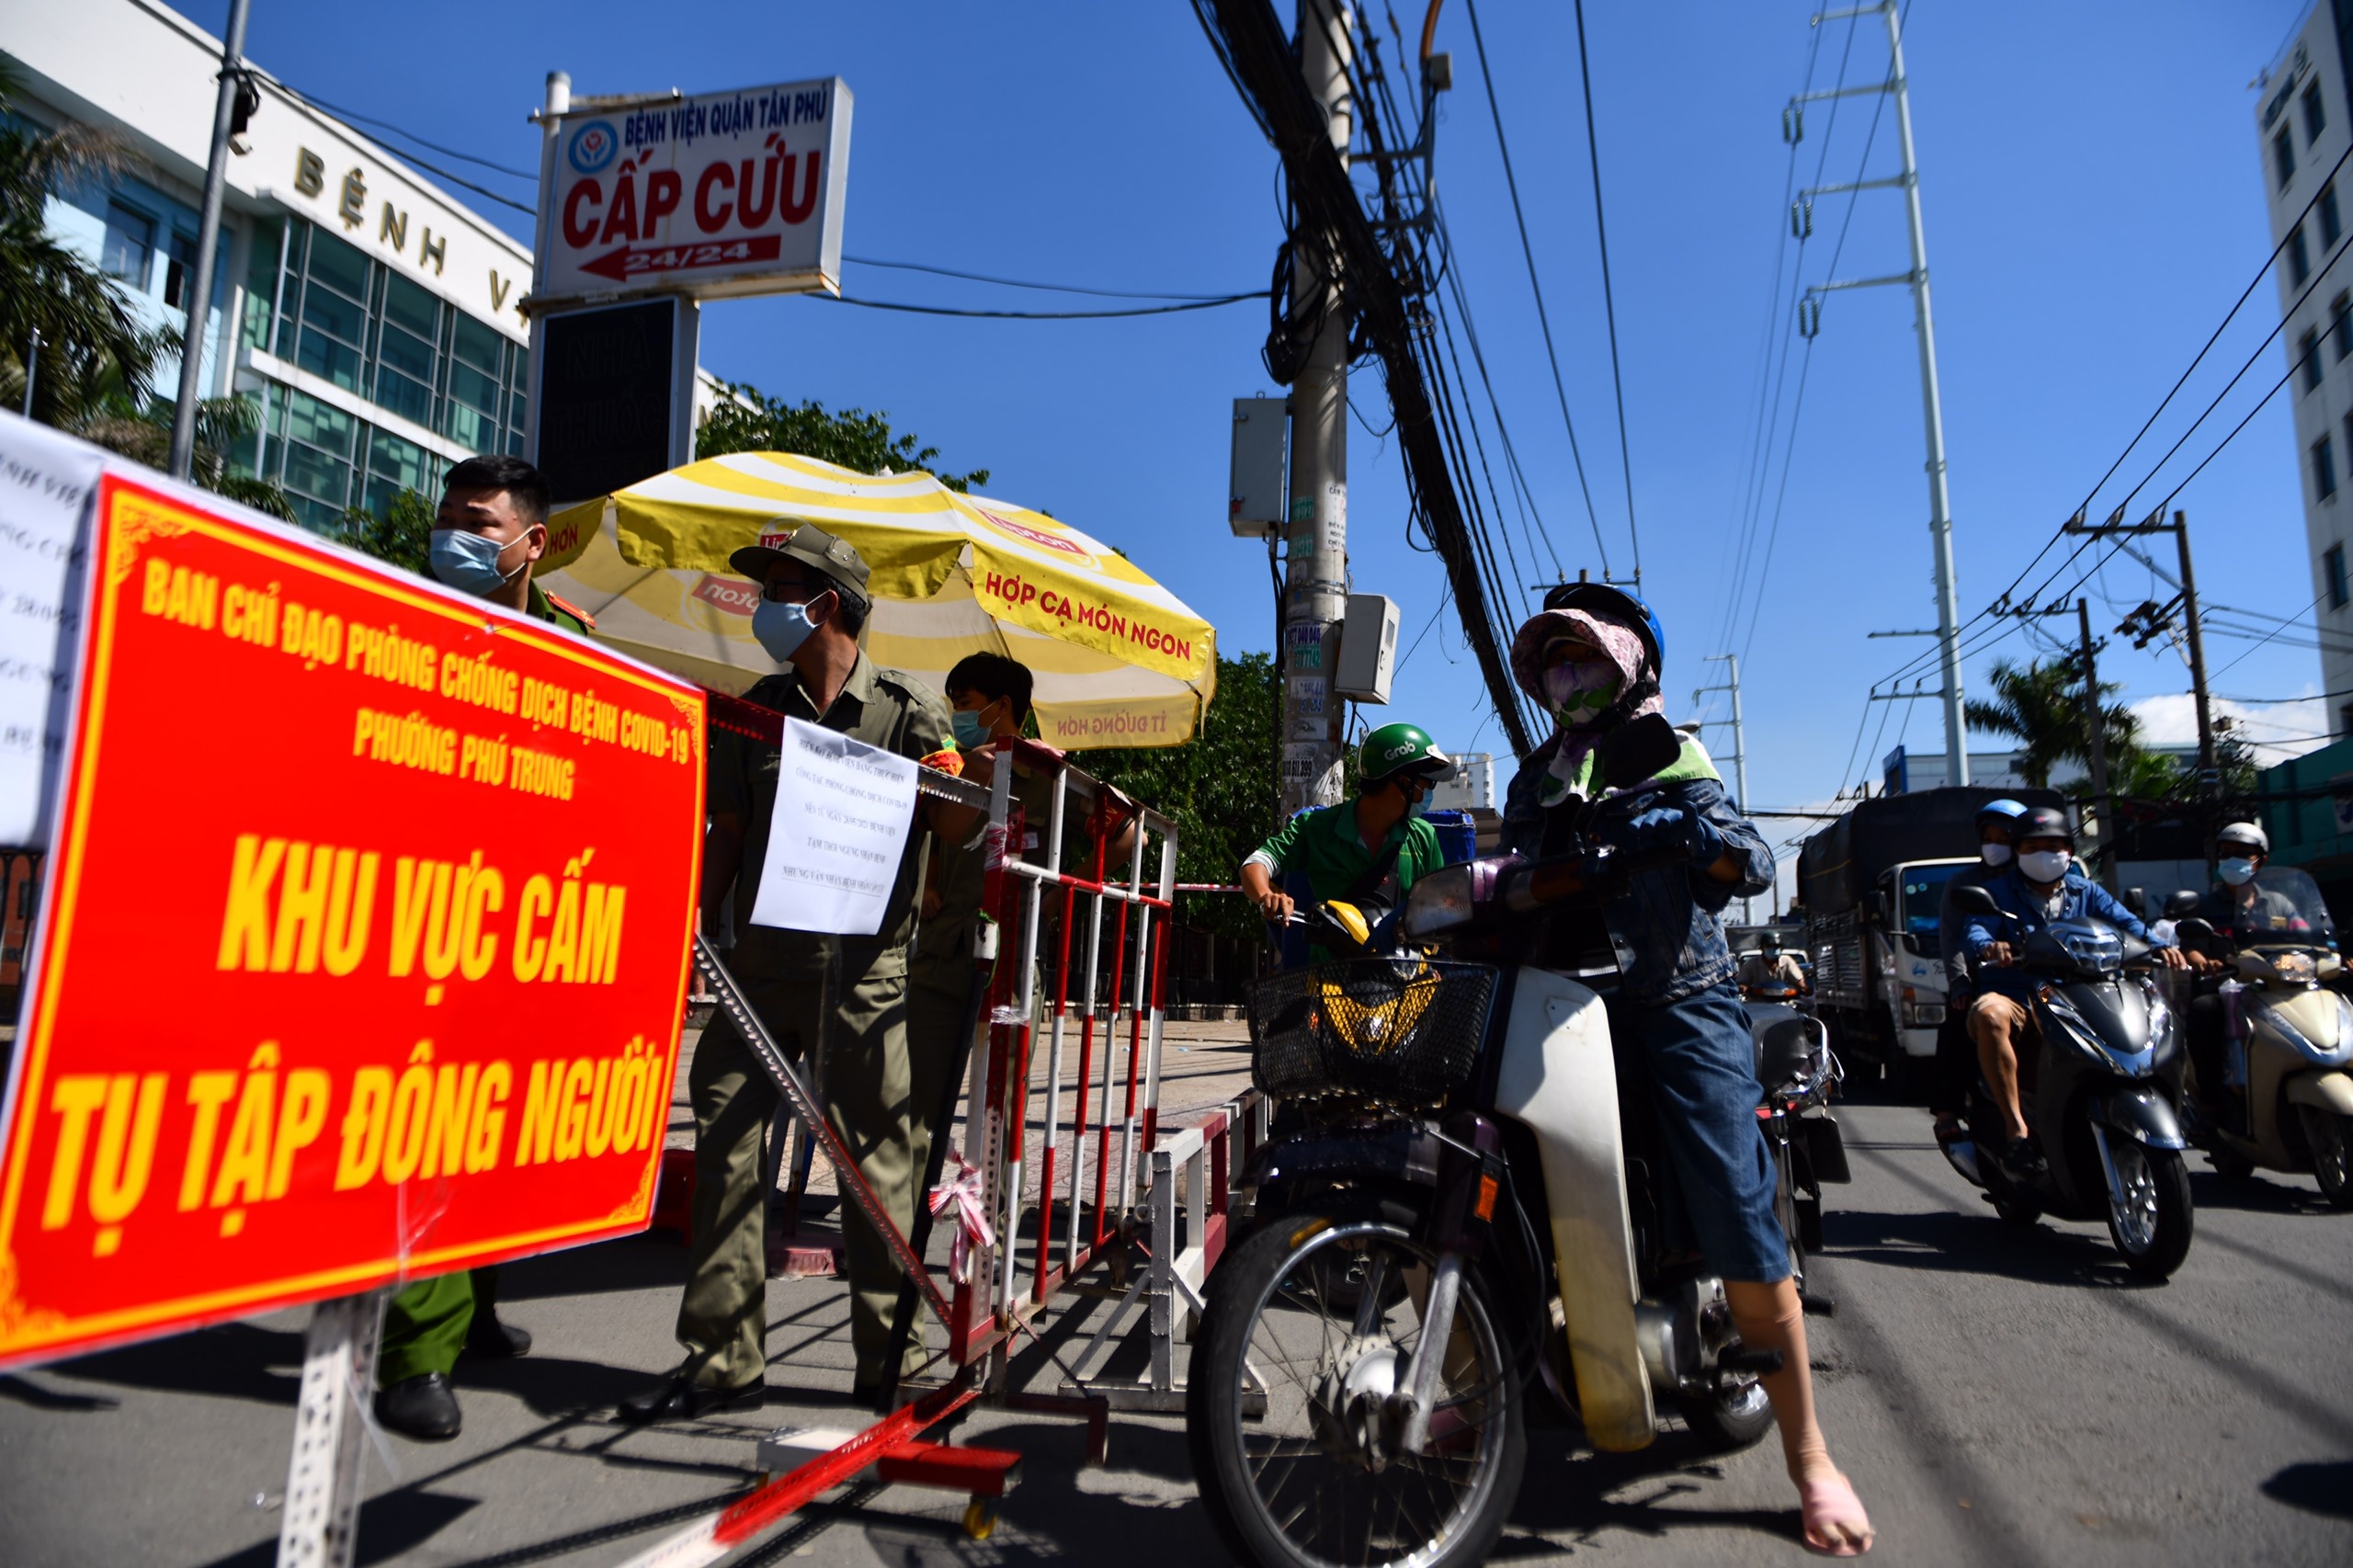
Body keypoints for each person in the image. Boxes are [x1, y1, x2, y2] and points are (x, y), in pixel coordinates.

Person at [1497, 580, 1872, 1556]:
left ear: (1630, 664)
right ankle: (1483, 1385)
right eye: (1555, 660)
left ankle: (1811, 1456)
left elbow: (1751, 860)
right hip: (1554, 1003)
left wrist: (1695, 838)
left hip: (1673, 996)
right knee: (1491, 1177)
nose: (1567, 673)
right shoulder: (1536, 778)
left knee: (1730, 1199)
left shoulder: (1673, 755)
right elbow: (1512, 880)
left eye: (1584, 654)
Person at [620, 523, 955, 1423]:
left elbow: (956, 830)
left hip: (864, 975)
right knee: (727, 1149)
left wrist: (952, 779)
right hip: (760, 969)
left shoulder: (908, 711)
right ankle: (722, 1359)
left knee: (877, 1169)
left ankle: (893, 1363)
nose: (763, 605)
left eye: (778, 589)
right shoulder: (754, 711)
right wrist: (692, 926)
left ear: (827, 604)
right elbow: (727, 832)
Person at [371, 454, 593, 1441]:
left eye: (478, 523)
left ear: (531, 542)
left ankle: (475, 1303)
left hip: (533, 937)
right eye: (448, 518)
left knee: (501, 1138)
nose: (454, 537)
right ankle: (414, 1351)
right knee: (430, 1136)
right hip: (425, 922)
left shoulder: (571, 650)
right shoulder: (401, 621)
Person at [1961, 805, 2187, 1177]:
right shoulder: (1998, 893)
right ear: (2017, 852)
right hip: (2018, 995)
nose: (2044, 855)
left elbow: (2128, 924)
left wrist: (2160, 947)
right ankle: (2017, 1130)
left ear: (2069, 850)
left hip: (2080, 996)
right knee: (1990, 1015)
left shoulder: (2088, 891)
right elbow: (1976, 930)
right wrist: (1989, 947)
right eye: (2033, 848)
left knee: (2158, 1014)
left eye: (2053, 846)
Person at [1238, 722, 1453, 963]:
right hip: (1331, 977)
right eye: (1427, 783)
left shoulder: (1423, 836)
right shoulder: (1317, 827)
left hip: (1405, 976)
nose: (1428, 793)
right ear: (1404, 782)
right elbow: (1256, 863)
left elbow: (1441, 910)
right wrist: (1267, 895)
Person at [1927, 799, 2028, 1146]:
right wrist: (1960, 984)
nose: (1995, 846)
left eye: (2004, 839)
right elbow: (1955, 938)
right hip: (1986, 981)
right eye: (1989, 839)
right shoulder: (1966, 883)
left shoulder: (2042, 881)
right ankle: (1947, 1111)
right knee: (1957, 1025)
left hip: (2040, 982)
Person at [2183, 822, 2301, 1119]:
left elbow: (2306, 937)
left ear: (2262, 860)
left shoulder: (2279, 904)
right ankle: (2210, 1101)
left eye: (2243, 854)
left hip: (2277, 988)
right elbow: (2192, 947)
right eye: (2226, 854)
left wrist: (2335, 956)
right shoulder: (2207, 906)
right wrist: (2203, 961)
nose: (2233, 860)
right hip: (2226, 991)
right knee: (2203, 1011)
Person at [1736, 932, 1809, 998]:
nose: (1773, 949)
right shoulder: (1751, 964)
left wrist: (1804, 988)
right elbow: (1742, 982)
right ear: (1762, 948)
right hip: (1757, 1002)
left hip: (1785, 1002)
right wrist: (1743, 987)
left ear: (1781, 948)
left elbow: (1798, 981)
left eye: (1777, 946)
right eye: (1769, 946)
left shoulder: (1787, 961)